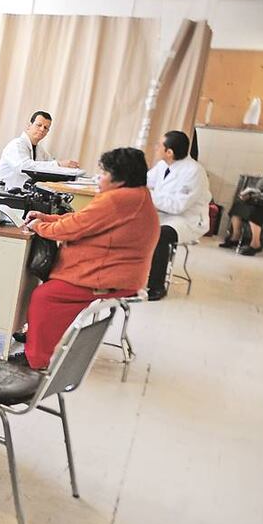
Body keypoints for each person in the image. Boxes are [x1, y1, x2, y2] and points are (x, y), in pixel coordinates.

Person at [19, 147, 159, 370]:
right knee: (48, 291)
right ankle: (37, 342)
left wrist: (40, 226)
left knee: (45, 296)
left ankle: (36, 360)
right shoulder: (137, 195)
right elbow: (85, 220)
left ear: (119, 178)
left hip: (111, 277)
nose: (98, 178)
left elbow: (74, 228)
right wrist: (48, 217)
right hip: (124, 272)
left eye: (103, 173)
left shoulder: (117, 200)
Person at [144, 130, 210, 300]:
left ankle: (156, 287)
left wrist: (149, 195)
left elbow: (179, 206)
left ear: (169, 152)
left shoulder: (194, 171)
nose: (156, 148)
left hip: (187, 220)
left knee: (161, 234)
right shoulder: (163, 166)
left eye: (159, 145)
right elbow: (144, 181)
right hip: (164, 215)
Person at [0, 111, 80, 191]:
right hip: (6, 193)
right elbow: (24, 167)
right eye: (39, 125)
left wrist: (70, 170)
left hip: (25, 194)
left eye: (46, 128)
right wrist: (58, 164)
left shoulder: (40, 150)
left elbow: (52, 167)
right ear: (29, 126)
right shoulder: (16, 145)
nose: (42, 129)